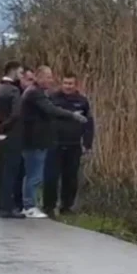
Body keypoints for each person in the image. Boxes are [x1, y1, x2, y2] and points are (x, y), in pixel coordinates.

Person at [20, 66, 87, 219]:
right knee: (35, 175)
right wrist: (72, 115)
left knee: (36, 174)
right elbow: (51, 110)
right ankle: (29, 205)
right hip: (34, 141)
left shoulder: (39, 93)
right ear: (39, 77)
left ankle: (31, 203)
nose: (51, 81)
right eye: (48, 77)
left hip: (47, 141)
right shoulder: (35, 93)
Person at [43, 72, 94, 216]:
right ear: (62, 83)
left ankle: (66, 206)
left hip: (73, 144)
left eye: (71, 84)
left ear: (76, 84)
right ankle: (49, 206)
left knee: (70, 177)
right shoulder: (53, 99)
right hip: (54, 143)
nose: (68, 86)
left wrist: (87, 143)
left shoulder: (82, 101)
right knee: (51, 176)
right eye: (65, 83)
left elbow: (89, 123)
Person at [0, 60, 26, 219]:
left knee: (2, 170)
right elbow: (16, 113)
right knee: (11, 171)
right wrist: (6, 126)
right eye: (20, 72)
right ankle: (8, 207)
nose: (21, 75)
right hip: (12, 135)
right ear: (13, 71)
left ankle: (1, 205)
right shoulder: (13, 91)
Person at [13, 66, 35, 213]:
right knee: (17, 171)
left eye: (33, 80)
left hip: (28, 139)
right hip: (16, 138)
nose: (31, 83)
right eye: (29, 79)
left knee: (24, 172)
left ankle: (19, 203)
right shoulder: (16, 94)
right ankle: (16, 203)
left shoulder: (32, 94)